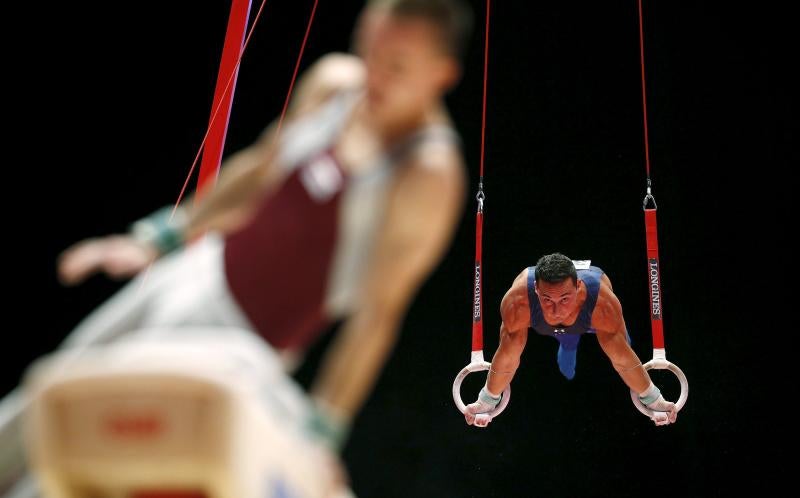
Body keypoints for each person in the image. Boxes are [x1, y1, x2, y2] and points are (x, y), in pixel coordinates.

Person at [1, 0, 472, 492]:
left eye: (396, 66)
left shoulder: (427, 175)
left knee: (89, 433)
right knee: (50, 387)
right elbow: (261, 170)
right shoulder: (337, 83)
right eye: (369, 49)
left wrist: (323, 431)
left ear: (442, 74)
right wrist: (160, 238)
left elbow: (376, 317)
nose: (373, 74)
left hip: (238, 341)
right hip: (196, 271)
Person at [464, 253, 678, 427]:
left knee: (618, 347)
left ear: (578, 287)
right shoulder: (518, 303)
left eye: (564, 298)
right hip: (544, 320)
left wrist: (652, 398)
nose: (556, 309)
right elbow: (509, 357)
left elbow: (622, 359)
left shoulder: (602, 305)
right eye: (547, 299)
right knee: (513, 342)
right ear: (536, 289)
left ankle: (568, 344)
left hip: (589, 321)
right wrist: (487, 400)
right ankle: (567, 343)